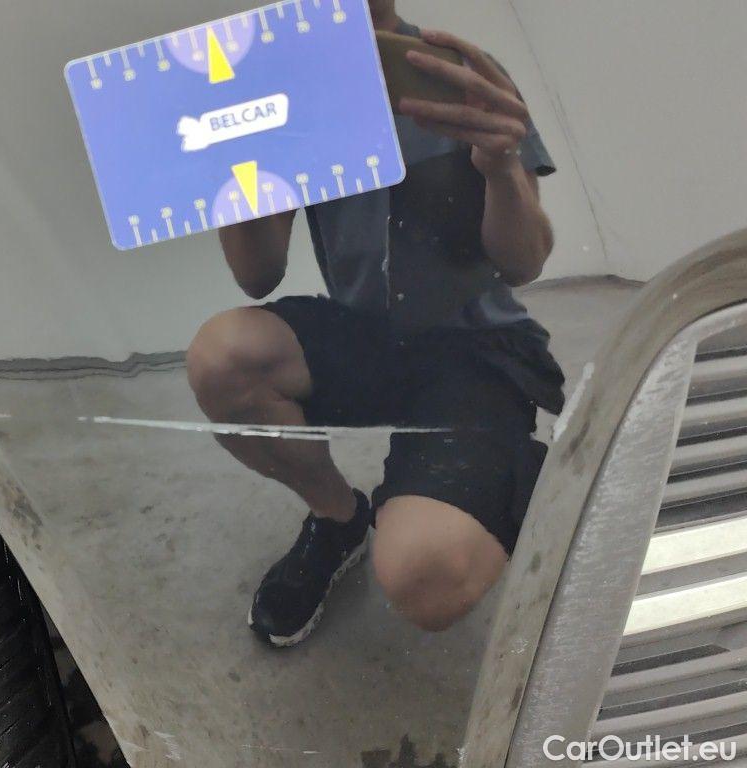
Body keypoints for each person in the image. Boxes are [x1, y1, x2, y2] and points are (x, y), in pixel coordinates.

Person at [186, 0, 565, 647]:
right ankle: (338, 519)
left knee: (426, 574)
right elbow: (258, 275)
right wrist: (240, 164)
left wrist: (502, 169)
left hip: (475, 347)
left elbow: (524, 261)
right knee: (221, 358)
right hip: (365, 334)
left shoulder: (463, 73)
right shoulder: (289, 94)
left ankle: (510, 473)